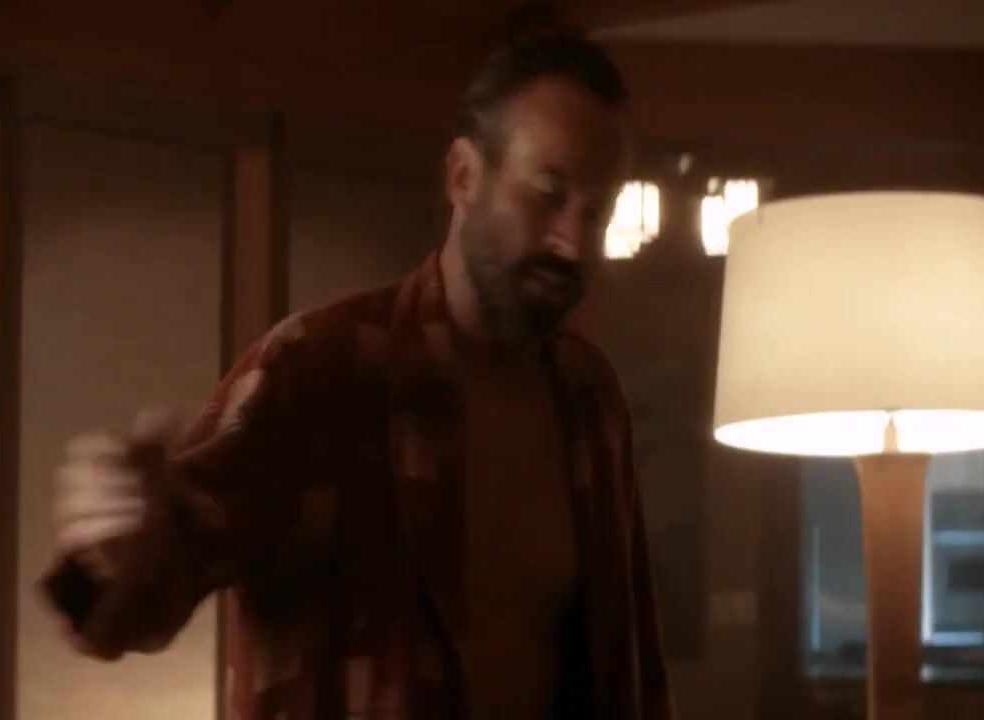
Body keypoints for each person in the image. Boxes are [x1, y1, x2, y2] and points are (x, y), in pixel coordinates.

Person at [43, 33, 671, 720]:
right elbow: (154, 583)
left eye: (596, 211)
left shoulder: (588, 396)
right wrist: (119, 549)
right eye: (548, 195)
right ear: (464, 176)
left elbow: (626, 660)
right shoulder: (319, 370)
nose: (571, 242)